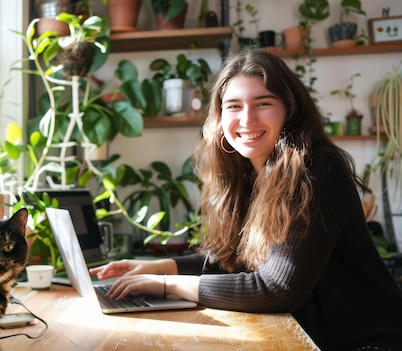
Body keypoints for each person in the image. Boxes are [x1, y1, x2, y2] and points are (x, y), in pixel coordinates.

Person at [90, 49, 402, 351]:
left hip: (368, 343)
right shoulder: (251, 173)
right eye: (234, 106)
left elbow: (277, 289)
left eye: (262, 103)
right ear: (220, 116)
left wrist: (166, 286)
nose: (247, 119)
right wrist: (158, 267)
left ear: (289, 109)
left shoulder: (315, 168)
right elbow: (232, 260)